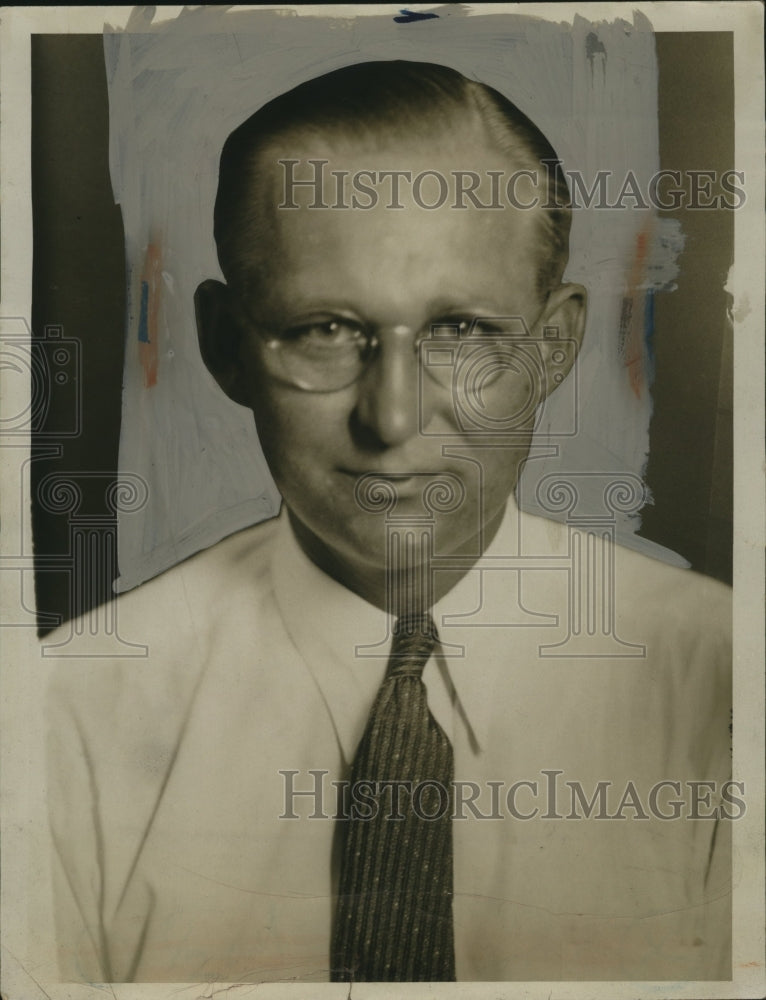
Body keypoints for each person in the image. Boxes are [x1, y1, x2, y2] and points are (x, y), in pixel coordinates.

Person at [46, 61, 732, 983]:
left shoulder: (728, 689)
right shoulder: (61, 720)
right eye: (326, 329)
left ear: (554, 348)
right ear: (224, 349)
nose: (394, 418)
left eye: (462, 332)